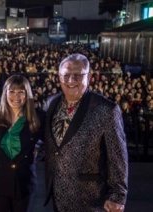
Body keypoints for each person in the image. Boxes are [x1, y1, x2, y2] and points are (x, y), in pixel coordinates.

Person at [44, 53, 128, 211]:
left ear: (89, 76)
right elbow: (48, 141)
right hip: (58, 193)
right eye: (66, 75)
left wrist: (118, 194)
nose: (71, 81)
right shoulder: (51, 103)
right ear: (58, 76)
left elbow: (117, 155)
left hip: (91, 197)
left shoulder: (106, 109)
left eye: (77, 75)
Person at [0, 75, 42, 212]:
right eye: (12, 92)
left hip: (23, 183)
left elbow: (50, 141)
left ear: (27, 94)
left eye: (21, 92)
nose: (16, 96)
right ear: (5, 93)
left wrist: (39, 150)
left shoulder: (38, 116)